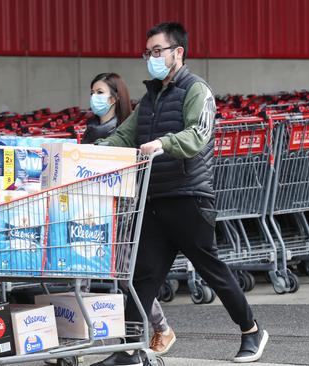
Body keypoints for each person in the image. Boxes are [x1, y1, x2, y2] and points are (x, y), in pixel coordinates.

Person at [90, 22, 269, 366]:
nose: (152, 58)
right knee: (142, 276)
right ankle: (127, 349)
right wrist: (90, 152)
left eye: (158, 51)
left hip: (189, 197)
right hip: (155, 199)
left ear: (178, 53)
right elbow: (124, 136)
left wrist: (163, 143)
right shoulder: (151, 98)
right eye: (148, 53)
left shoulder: (197, 90)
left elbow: (198, 134)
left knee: (211, 269)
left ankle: (252, 331)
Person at [84, 72, 177, 355]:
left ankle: (161, 327)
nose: (95, 98)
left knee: (126, 277)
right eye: (93, 92)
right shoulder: (91, 130)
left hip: (122, 211)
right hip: (91, 210)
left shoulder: (124, 130)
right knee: (81, 273)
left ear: (113, 97)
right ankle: (78, 338)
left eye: (100, 92)